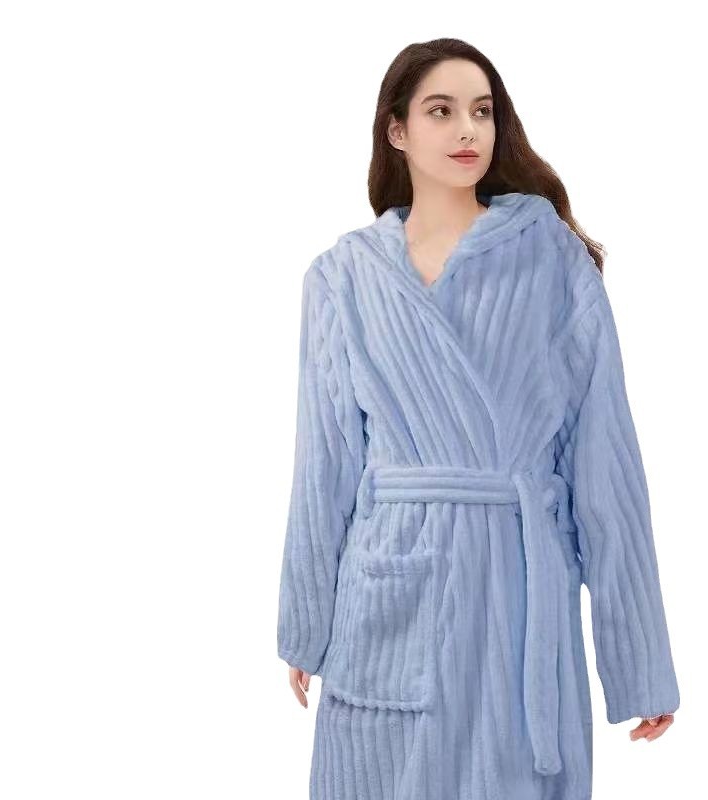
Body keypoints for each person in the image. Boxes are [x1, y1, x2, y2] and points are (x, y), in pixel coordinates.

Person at [276, 37, 679, 799]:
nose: (468, 130)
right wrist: (305, 621)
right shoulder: (343, 276)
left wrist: (639, 661)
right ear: (397, 130)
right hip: (389, 588)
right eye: (442, 111)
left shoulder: (554, 262)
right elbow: (323, 465)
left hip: (519, 590)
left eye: (483, 111)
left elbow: (606, 466)